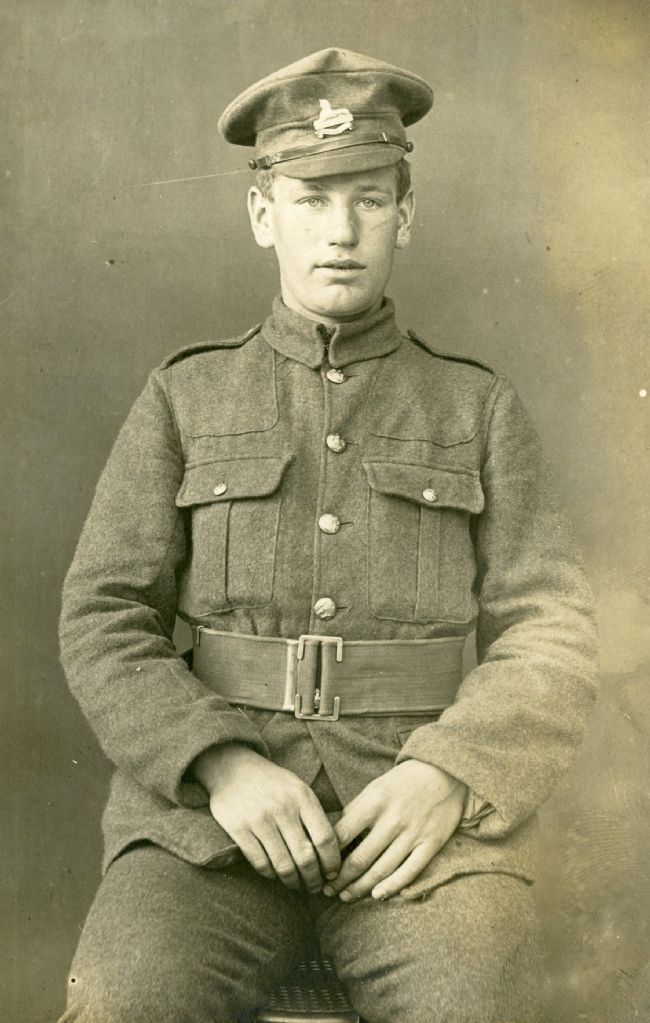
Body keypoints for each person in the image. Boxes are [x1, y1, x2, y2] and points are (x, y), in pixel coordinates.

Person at [58, 47, 598, 1023]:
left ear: (405, 213)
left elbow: (549, 632)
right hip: (211, 829)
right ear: (263, 216)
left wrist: (450, 772)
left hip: (418, 831)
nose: (339, 231)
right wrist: (219, 764)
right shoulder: (184, 398)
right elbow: (102, 617)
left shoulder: (476, 409)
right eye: (310, 199)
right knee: (123, 1002)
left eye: (365, 199)